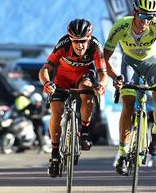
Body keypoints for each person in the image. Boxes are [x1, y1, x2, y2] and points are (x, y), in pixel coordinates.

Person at [103, 0, 156, 175]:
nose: (146, 21)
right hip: (130, 64)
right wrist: (115, 77)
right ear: (134, 12)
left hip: (153, 63)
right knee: (127, 106)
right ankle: (122, 153)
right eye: (143, 15)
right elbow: (105, 58)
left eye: (150, 16)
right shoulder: (121, 26)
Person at [38, 18, 107, 177]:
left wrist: (102, 85)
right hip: (62, 76)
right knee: (56, 113)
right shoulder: (63, 45)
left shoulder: (96, 48)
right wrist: (47, 83)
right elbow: (45, 69)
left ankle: (84, 131)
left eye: (83, 41)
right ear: (70, 39)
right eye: (75, 41)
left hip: (83, 76)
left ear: (89, 38)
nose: (79, 45)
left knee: (87, 91)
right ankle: (55, 154)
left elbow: (103, 73)